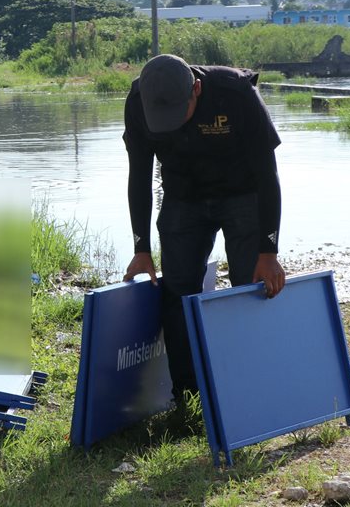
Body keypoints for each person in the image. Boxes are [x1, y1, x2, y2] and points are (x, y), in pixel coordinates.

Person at [122, 54, 286, 398]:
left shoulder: (235, 93)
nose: (172, 125)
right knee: (178, 292)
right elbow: (139, 175)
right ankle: (188, 394)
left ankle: (249, 388)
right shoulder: (138, 102)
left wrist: (268, 250)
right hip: (183, 199)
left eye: (177, 115)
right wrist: (141, 247)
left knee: (250, 289)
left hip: (243, 196)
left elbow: (267, 175)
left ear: (196, 89)